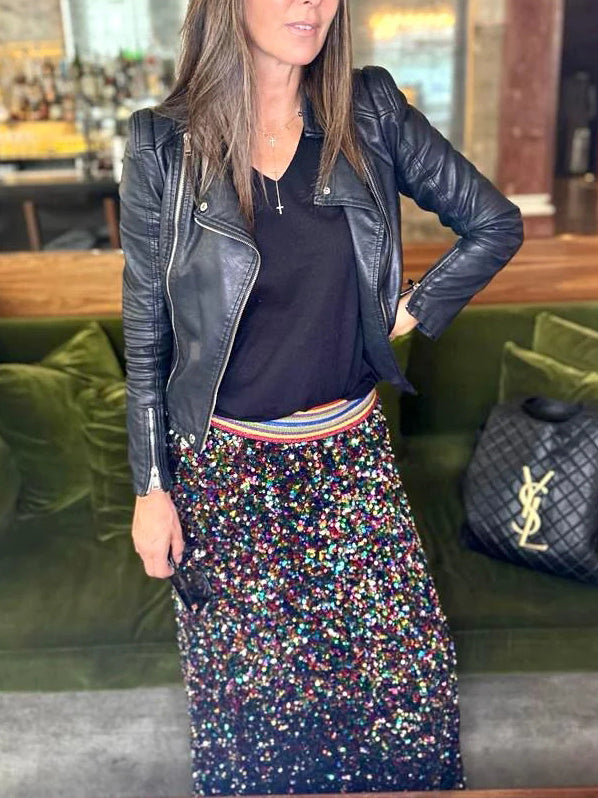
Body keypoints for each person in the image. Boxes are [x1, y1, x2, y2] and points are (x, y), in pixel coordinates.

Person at [119, 0, 524, 794]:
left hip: (350, 461)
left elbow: (494, 222)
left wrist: (410, 309)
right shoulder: (163, 145)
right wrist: (151, 488)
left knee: (408, 698)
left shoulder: (370, 110)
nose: (309, 3)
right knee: (260, 725)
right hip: (228, 477)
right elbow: (147, 334)